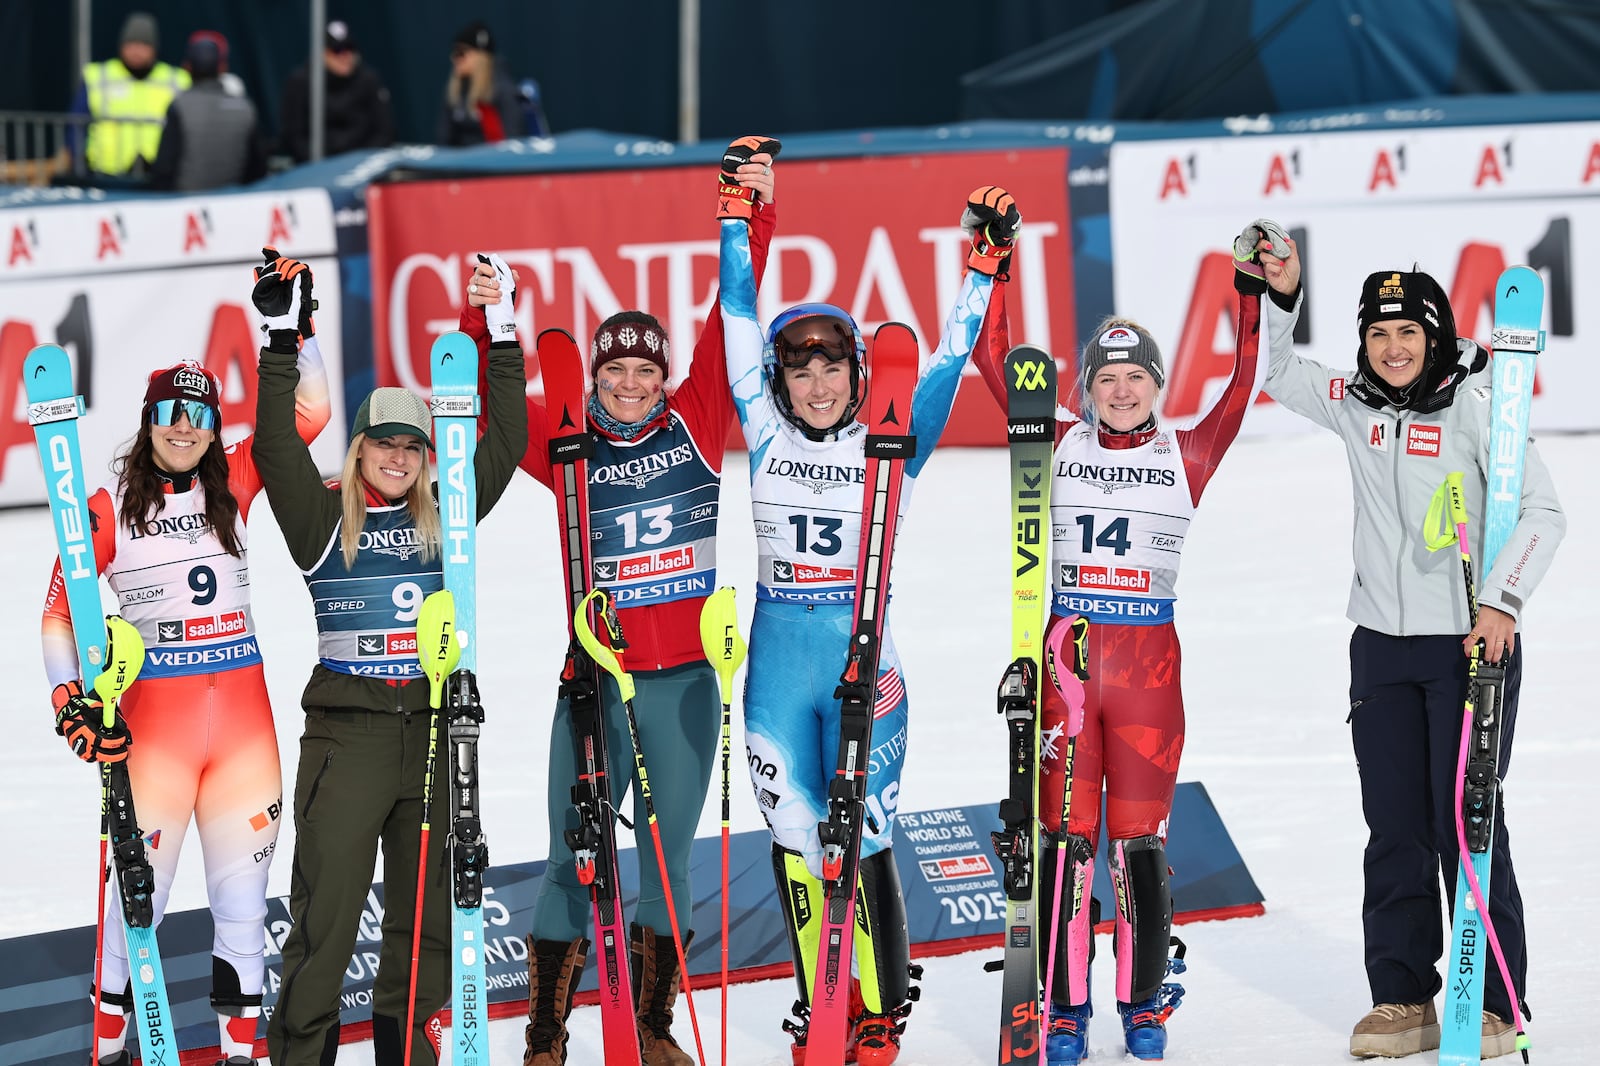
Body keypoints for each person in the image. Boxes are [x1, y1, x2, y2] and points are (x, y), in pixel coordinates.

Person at [456, 138, 777, 1066]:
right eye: (613, 372)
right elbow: (492, 405)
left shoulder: (700, 419)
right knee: (572, 855)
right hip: (593, 688)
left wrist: (748, 213)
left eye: (645, 370)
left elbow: (736, 311)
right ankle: (547, 1036)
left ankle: (648, 1029)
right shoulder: (562, 448)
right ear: (594, 377)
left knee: (666, 871)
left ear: (665, 376)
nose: (630, 385)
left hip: (682, 688)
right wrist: (486, 323)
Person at [1243, 223, 1564, 1060]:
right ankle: (1402, 998)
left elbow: (1543, 510)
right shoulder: (1353, 404)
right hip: (1379, 645)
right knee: (1392, 827)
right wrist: (1282, 298)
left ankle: (1496, 1000)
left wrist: (1503, 602)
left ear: (1436, 336)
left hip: (1467, 641)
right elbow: (1277, 374)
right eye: (1379, 333)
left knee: (1468, 823)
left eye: (1408, 332)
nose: (1392, 348)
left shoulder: (1477, 406)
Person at [719, 175, 1017, 1063]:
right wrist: (737, 217)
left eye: (832, 366)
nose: (816, 384)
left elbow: (954, 353)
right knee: (799, 844)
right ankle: (824, 1003)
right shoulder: (762, 430)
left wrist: (983, 265)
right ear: (779, 380)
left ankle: (882, 1010)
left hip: (867, 672)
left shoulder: (891, 441)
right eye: (799, 370)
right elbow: (738, 311)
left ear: (858, 372)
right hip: (776, 674)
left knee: (867, 839)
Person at [968, 223, 1273, 1064]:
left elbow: (1243, 388)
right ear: (1088, 386)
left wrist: (1250, 294)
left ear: (1156, 385)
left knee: (1140, 853)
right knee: (1067, 856)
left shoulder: (1188, 453)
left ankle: (1143, 1003)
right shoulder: (1056, 438)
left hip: (1148, 675)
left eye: (1136, 377)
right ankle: (1066, 1011)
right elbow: (997, 363)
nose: (1122, 391)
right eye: (1107, 379)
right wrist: (992, 264)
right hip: (1067, 668)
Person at [40, 259, 332, 1066]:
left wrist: (296, 332)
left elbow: (312, 411)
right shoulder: (105, 507)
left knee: (244, 914)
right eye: (168, 411)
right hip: (155, 738)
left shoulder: (235, 478)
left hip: (243, 734)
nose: (183, 425)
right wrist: (69, 697)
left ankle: (244, 1056)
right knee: (133, 911)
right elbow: (58, 613)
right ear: (147, 418)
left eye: (197, 413)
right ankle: (108, 1053)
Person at [254, 252, 528, 1066]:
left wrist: (501, 334)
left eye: (414, 444)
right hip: (349, 736)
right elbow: (273, 448)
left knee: (425, 925)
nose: (400, 456)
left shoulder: (451, 516)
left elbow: (507, 438)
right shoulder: (321, 521)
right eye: (384, 442)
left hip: (438, 735)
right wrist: (279, 343)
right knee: (327, 920)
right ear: (361, 447)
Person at [71, 11, 190, 180]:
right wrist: (79, 166)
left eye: (143, 45)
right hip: (106, 173)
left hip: (158, 173)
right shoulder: (97, 75)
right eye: (131, 44)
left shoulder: (177, 79)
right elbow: (76, 124)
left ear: (154, 49)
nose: (136, 51)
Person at [149, 32, 268, 192]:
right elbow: (258, 170)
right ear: (222, 67)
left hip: (186, 205)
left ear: (187, 67)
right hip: (232, 204)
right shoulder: (245, 108)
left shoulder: (180, 106)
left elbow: (165, 167)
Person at [277, 20, 396, 164]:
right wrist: (320, 163)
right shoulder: (300, 82)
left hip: (362, 165)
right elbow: (293, 135)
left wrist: (360, 161)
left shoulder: (368, 80)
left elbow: (384, 131)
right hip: (317, 167)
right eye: (337, 50)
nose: (344, 56)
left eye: (349, 48)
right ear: (322, 53)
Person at [437, 20, 526, 146]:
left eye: (461, 52)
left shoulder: (503, 89)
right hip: (460, 162)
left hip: (494, 161)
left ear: (480, 56)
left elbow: (513, 139)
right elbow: (444, 138)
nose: (454, 57)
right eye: (454, 52)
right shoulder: (454, 91)